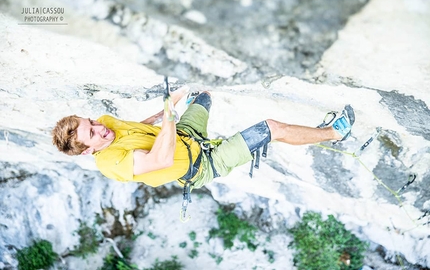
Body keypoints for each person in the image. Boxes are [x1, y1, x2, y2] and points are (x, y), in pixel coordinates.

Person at [52, 85, 354, 200]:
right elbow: (160, 159)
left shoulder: (105, 123)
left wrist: (161, 113)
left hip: (186, 136)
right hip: (204, 164)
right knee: (271, 128)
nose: (99, 127)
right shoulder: (109, 163)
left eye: (89, 121)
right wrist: (170, 110)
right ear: (89, 150)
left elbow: (135, 129)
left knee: (203, 96)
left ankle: (314, 132)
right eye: (92, 134)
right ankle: (333, 133)